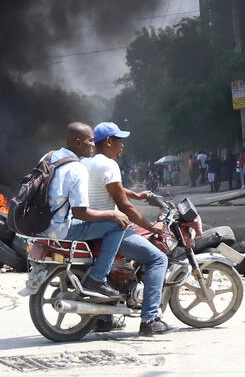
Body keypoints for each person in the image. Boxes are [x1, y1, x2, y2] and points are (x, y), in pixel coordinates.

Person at [84, 122, 170, 336]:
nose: (122, 147)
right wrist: (152, 226)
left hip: (90, 227)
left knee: (120, 260)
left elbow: (113, 188)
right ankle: (150, 318)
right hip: (109, 227)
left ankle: (104, 319)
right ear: (109, 142)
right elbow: (125, 207)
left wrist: (137, 194)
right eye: (120, 141)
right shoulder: (109, 165)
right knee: (158, 259)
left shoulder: (87, 163)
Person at [40, 122, 131, 298]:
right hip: (61, 228)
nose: (94, 144)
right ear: (78, 142)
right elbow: (81, 212)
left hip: (42, 223)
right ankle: (97, 279)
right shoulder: (77, 168)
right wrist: (112, 213)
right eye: (90, 141)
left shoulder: (50, 156)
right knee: (119, 223)